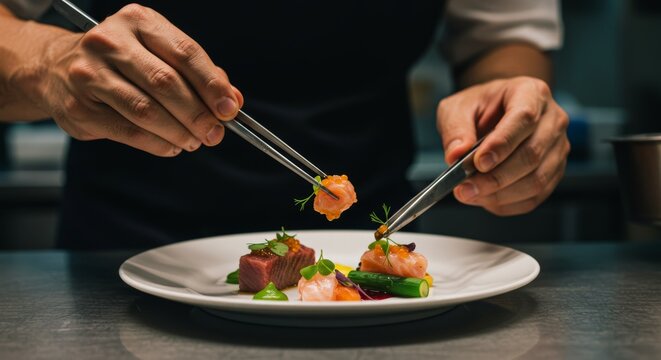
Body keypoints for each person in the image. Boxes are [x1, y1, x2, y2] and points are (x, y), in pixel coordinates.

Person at [0, 0, 570, 249]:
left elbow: (504, 35)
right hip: (122, 260)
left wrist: (506, 105)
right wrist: (49, 63)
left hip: (370, 262)